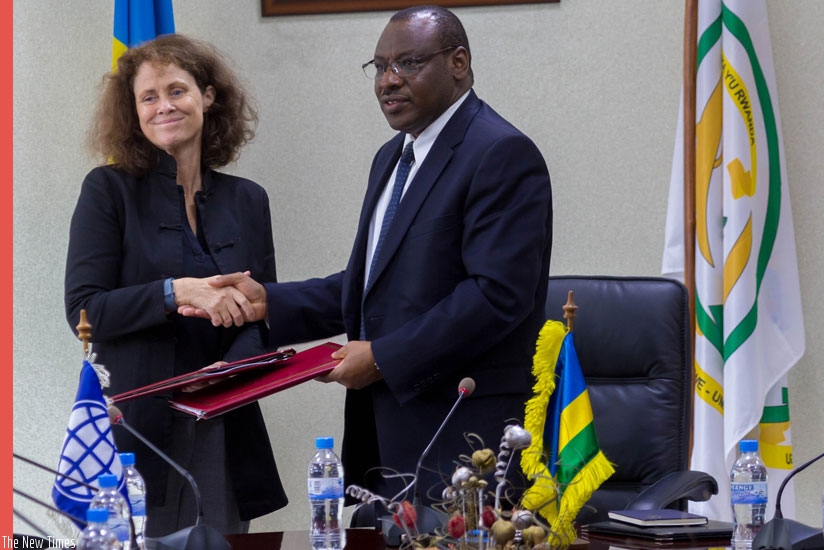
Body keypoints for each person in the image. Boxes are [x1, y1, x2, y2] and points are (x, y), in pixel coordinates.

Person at [185, 4, 552, 511]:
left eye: (408, 63)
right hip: (387, 434)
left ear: (459, 62)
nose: (388, 81)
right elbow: (374, 285)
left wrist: (382, 357)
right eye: (379, 67)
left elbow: (496, 297)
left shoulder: (501, 153)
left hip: (462, 434)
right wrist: (269, 301)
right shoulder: (392, 157)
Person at [63, 33, 287, 536]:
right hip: (139, 428)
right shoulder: (108, 191)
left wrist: (229, 370)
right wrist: (179, 291)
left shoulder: (249, 199)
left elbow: (267, 310)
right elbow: (84, 310)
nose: (164, 106)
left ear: (207, 96)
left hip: (225, 423)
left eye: (177, 91)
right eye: (149, 97)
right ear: (134, 112)